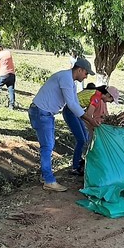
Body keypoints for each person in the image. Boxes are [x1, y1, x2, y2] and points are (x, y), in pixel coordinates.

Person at [28, 57, 100, 192]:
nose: (85, 77)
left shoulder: (70, 81)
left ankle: (45, 176)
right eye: (86, 73)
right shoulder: (66, 78)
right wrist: (90, 120)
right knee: (47, 146)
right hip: (41, 113)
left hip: (44, 113)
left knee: (47, 145)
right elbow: (71, 105)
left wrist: (87, 120)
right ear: (79, 69)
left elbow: (75, 103)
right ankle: (49, 180)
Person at [63, 85, 119, 175]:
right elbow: (88, 116)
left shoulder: (97, 94)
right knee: (81, 140)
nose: (111, 102)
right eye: (112, 100)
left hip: (76, 110)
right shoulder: (96, 97)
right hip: (71, 111)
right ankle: (75, 167)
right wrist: (92, 128)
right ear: (108, 95)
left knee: (84, 138)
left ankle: (79, 160)